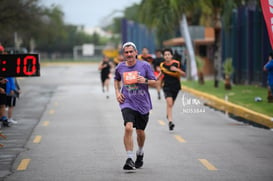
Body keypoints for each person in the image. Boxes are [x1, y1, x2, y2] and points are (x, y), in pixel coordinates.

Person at [114, 42, 156, 170]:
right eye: (126, 52)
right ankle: (130, 158)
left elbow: (155, 82)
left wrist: (145, 80)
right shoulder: (120, 67)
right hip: (127, 102)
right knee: (128, 128)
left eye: (131, 51)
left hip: (143, 104)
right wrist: (117, 92)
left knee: (140, 132)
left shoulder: (145, 65)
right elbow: (116, 79)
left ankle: (140, 152)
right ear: (123, 54)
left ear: (136, 52)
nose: (129, 54)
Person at [157, 48, 186, 131]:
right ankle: (170, 122)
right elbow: (160, 74)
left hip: (176, 86)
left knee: (171, 104)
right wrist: (153, 80)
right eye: (165, 55)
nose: (167, 56)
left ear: (171, 55)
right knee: (169, 103)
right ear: (163, 56)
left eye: (168, 55)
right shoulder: (162, 65)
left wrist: (176, 70)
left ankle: (168, 114)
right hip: (166, 86)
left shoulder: (177, 63)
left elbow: (184, 74)